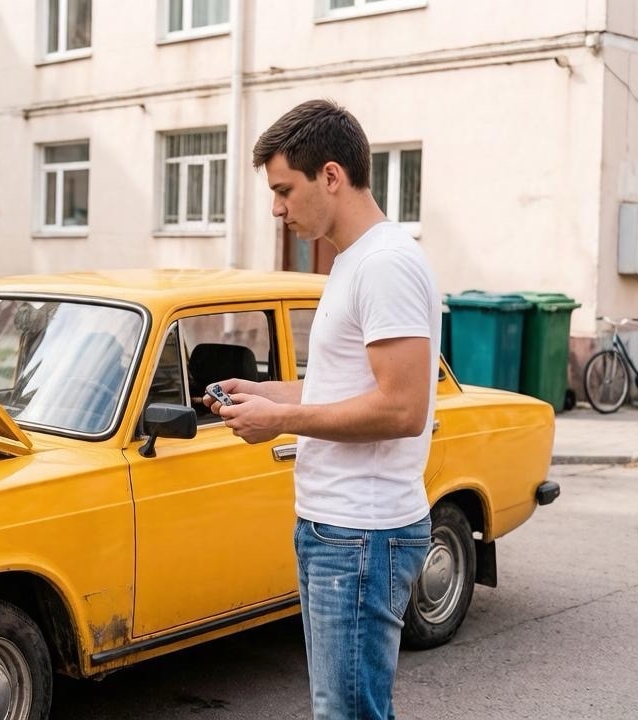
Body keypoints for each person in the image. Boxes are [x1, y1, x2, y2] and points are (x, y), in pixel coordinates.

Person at [206, 99, 439, 719]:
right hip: (334, 528)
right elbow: (346, 390)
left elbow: (402, 409)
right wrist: (267, 393)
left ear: (330, 176)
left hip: (361, 534)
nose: (277, 209)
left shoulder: (385, 264)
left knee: (349, 714)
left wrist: (280, 420)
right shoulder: (354, 260)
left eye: (284, 190)